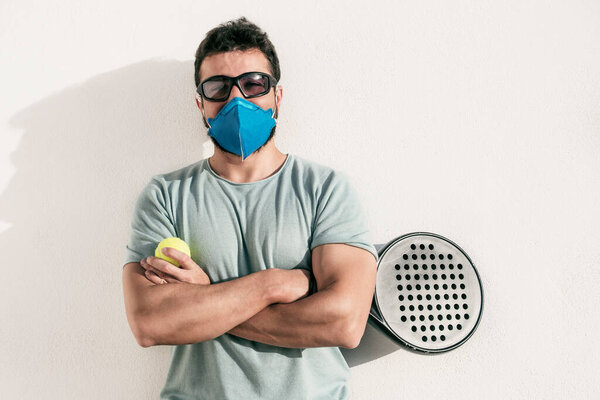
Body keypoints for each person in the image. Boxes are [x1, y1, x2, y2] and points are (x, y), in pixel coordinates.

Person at [122, 17, 378, 400]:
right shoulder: (165, 195)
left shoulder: (325, 189)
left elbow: (344, 322)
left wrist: (207, 298)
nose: (236, 101)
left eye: (253, 84)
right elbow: (151, 322)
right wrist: (274, 284)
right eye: (218, 88)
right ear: (200, 103)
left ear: (276, 96)